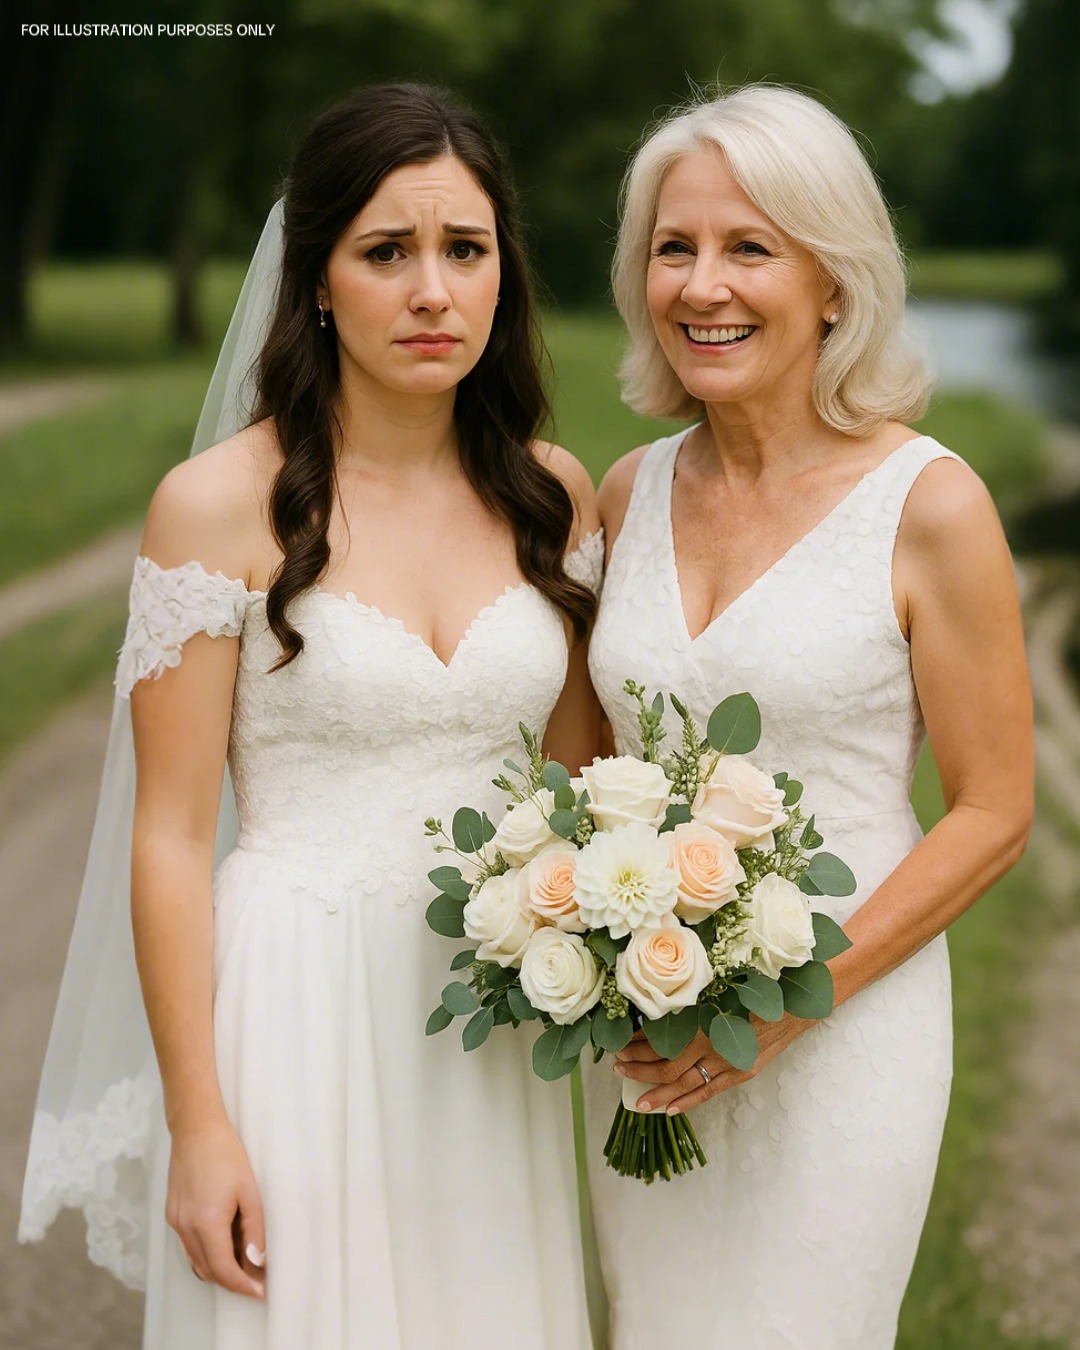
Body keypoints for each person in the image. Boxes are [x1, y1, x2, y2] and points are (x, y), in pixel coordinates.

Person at [19, 83, 601, 1349]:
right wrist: (200, 1121)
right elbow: (170, 837)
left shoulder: (553, 498)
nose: (432, 292)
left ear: (505, 269)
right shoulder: (216, 506)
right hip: (292, 1007)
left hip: (493, 1018)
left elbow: (583, 791)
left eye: (465, 249)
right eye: (385, 252)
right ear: (319, 279)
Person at [583, 84, 1033, 1348]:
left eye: (750, 247)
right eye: (675, 247)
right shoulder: (630, 492)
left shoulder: (929, 505)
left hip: (845, 1029)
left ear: (833, 280)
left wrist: (793, 1005)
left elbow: (995, 812)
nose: (702, 286)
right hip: (651, 1036)